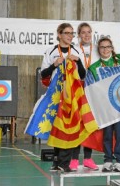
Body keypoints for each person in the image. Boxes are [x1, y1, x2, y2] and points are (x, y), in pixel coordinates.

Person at [40, 23, 86, 173]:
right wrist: (54, 65)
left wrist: (78, 62)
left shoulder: (77, 51)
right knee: (57, 127)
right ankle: (57, 161)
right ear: (59, 34)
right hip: (56, 94)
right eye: (66, 33)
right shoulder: (51, 51)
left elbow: (83, 74)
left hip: (71, 95)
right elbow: (43, 74)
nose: (69, 36)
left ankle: (64, 162)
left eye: (72, 33)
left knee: (69, 126)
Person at [89, 37, 120, 172]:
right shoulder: (94, 68)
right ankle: (108, 160)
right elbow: (91, 88)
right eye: (102, 47)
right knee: (107, 134)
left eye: (108, 47)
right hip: (105, 108)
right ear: (98, 50)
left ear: (112, 48)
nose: (105, 49)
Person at [69, 22, 99, 171]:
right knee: (77, 125)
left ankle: (87, 158)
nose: (86, 35)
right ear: (79, 34)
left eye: (89, 32)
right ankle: (74, 159)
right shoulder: (74, 50)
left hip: (93, 92)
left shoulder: (98, 51)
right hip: (78, 91)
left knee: (90, 126)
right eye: (83, 32)